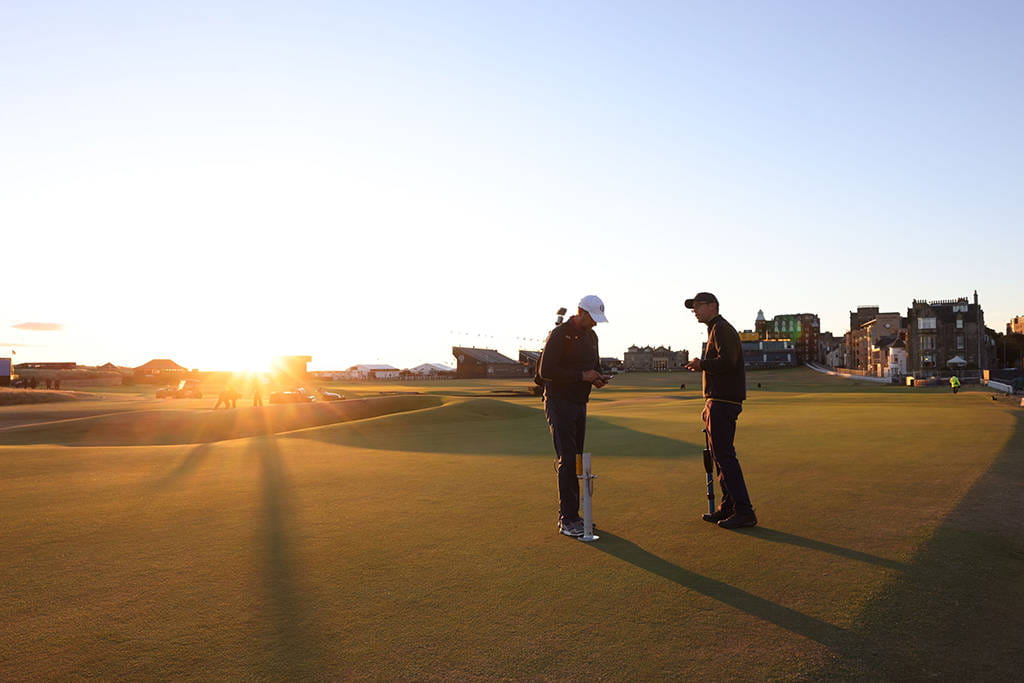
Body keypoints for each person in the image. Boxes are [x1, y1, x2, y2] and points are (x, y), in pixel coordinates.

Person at [539, 295, 611, 538]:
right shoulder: (559, 334)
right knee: (567, 459)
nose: (595, 323)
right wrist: (582, 376)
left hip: (580, 402)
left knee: (577, 459)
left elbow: (595, 366)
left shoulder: (592, 336)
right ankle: (567, 518)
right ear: (580, 311)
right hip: (559, 402)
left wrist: (598, 378)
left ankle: (577, 515)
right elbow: (546, 370)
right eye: (591, 317)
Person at [684, 292, 758, 529]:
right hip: (717, 400)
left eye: (698, 306)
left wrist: (701, 364)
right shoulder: (715, 329)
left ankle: (744, 511)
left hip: (724, 401)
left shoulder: (722, 328)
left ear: (712, 306)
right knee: (720, 457)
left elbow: (728, 362)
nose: (694, 311)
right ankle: (729, 507)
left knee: (725, 457)